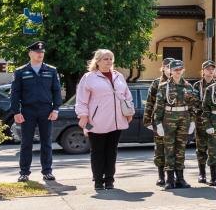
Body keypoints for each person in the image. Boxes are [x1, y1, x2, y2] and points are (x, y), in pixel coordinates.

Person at [74, 49, 133, 191]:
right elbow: (81, 100)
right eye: (105, 59)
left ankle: (110, 180)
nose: (109, 61)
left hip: (117, 121)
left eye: (111, 58)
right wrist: (83, 116)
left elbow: (127, 96)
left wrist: (129, 111)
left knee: (112, 152)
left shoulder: (118, 76)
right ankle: (98, 181)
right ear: (98, 61)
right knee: (97, 151)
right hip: (96, 122)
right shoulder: (89, 77)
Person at [10, 41, 62, 183]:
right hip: (28, 111)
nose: (40, 54)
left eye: (42, 52)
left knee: (46, 142)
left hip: (46, 110)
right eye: (38, 52)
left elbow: (56, 91)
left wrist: (56, 109)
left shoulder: (51, 70)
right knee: (26, 142)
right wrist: (16, 112)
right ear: (30, 54)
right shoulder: (20, 71)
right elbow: (15, 93)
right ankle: (24, 173)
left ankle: (47, 172)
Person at [153, 60, 200, 189]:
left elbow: (193, 105)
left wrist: (192, 121)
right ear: (170, 71)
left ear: (183, 70)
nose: (178, 71)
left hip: (184, 119)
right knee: (169, 149)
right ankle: (169, 179)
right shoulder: (164, 86)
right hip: (169, 119)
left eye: (180, 69)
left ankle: (180, 178)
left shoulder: (188, 86)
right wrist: (158, 123)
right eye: (175, 69)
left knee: (180, 149)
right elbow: (159, 106)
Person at [143, 57, 173, 186]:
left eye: (172, 67)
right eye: (168, 67)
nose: (170, 70)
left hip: (175, 121)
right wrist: (147, 121)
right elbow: (149, 102)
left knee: (174, 149)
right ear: (163, 68)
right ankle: (161, 176)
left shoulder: (179, 82)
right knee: (160, 149)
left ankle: (174, 176)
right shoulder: (157, 83)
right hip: (159, 121)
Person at [192, 60, 216, 184]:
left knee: (214, 148)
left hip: (215, 121)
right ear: (203, 71)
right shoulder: (197, 86)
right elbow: (194, 102)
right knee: (201, 148)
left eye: (212, 69)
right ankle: (202, 173)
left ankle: (214, 174)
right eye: (208, 69)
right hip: (201, 120)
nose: (211, 71)